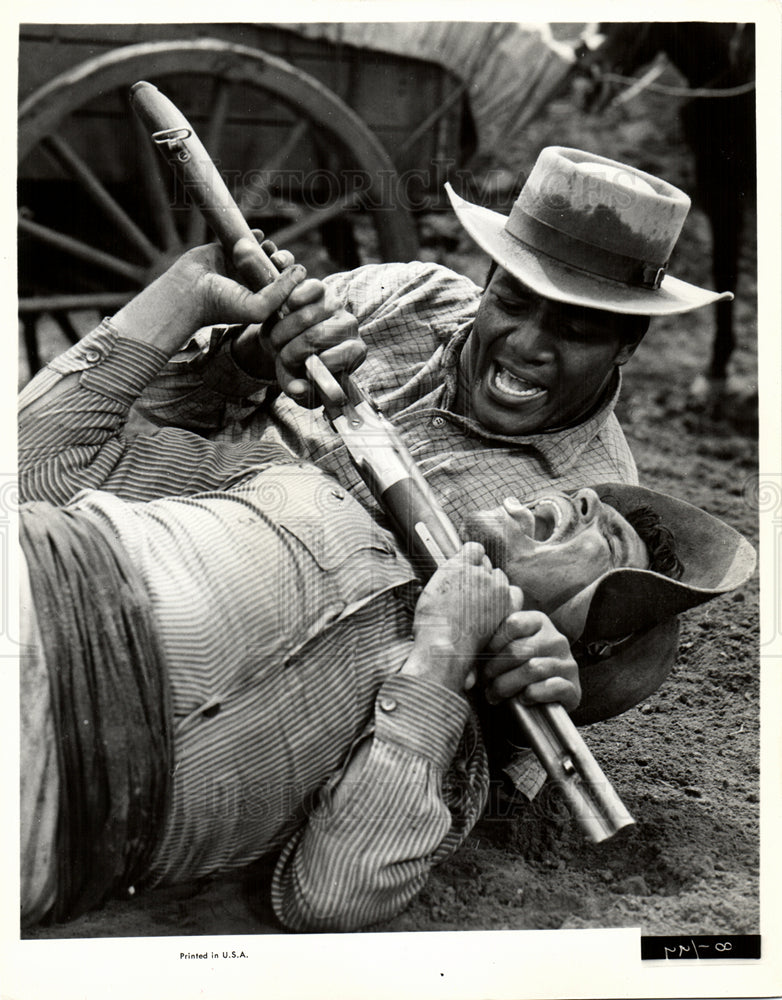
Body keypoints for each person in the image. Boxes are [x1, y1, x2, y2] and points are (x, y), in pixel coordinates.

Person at [19, 254, 755, 933]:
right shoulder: (294, 461)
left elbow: (335, 891)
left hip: (64, 790)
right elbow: (37, 476)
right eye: (512, 300)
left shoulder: (447, 734)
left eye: (610, 537)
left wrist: (445, 665)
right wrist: (209, 305)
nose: (589, 500)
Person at [130, 145, 733, 528]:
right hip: (126, 492)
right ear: (487, 279)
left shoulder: (580, 510)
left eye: (575, 330)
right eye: (511, 302)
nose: (525, 344)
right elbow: (141, 401)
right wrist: (252, 356)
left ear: (628, 344)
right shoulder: (407, 294)